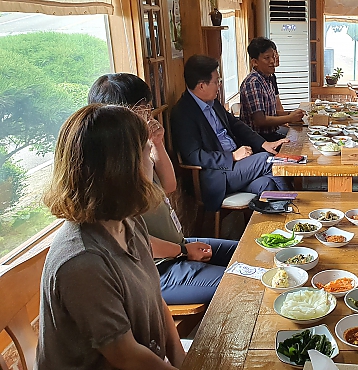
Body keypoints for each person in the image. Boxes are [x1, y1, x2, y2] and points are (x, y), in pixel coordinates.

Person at [37, 104, 184, 369]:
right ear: (120, 171)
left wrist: (183, 360)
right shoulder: (83, 261)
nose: (151, 161)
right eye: (146, 152)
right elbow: (127, 356)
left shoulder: (129, 220)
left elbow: (157, 301)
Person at [88, 73, 238, 305]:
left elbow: (169, 186)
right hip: (156, 269)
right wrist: (184, 252)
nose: (147, 116)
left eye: (147, 109)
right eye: (140, 110)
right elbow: (134, 241)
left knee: (244, 252)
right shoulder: (108, 173)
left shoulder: (137, 153)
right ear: (115, 115)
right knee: (240, 284)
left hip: (177, 246)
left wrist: (156, 142)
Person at [170, 54, 289, 212]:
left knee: (267, 184)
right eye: (216, 81)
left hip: (238, 168)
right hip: (217, 175)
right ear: (201, 86)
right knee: (269, 161)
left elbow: (236, 124)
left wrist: (264, 143)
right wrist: (232, 156)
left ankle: (273, 227)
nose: (219, 85)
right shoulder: (183, 113)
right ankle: (294, 207)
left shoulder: (213, 102)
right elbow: (194, 155)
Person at [240, 37, 305, 141]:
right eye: (267, 58)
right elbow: (260, 121)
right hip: (259, 139)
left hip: (272, 133)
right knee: (297, 142)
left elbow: (272, 113)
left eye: (273, 56)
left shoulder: (268, 78)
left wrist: (292, 113)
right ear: (255, 62)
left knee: (302, 137)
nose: (272, 61)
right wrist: (289, 118)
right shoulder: (253, 82)